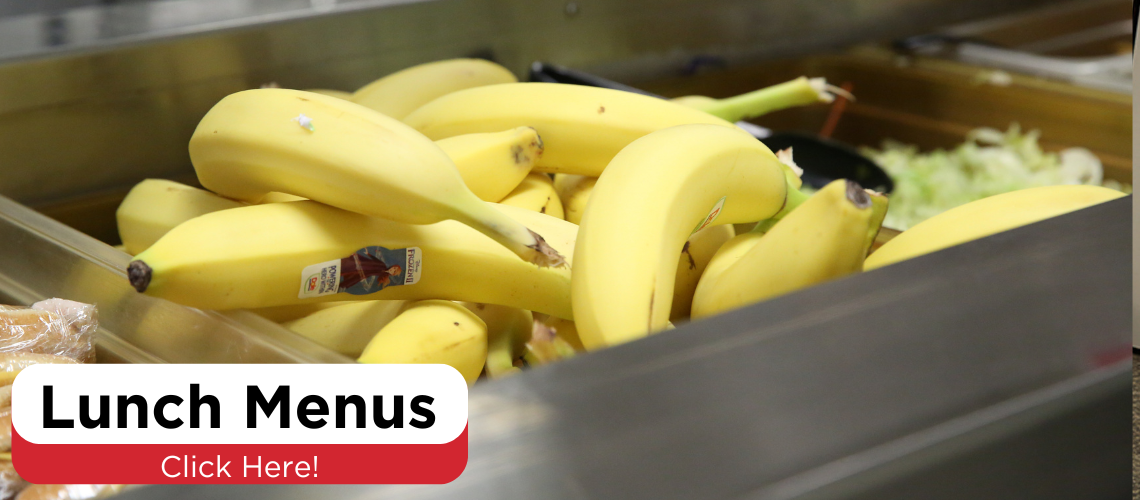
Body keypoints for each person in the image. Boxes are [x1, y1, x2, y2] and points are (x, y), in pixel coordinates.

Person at [338, 250, 403, 292]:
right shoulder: (383, 265)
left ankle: (341, 285)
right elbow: (375, 259)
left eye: (394, 271)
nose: (392, 269)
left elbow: (378, 281)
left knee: (353, 278)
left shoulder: (385, 276)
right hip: (366, 266)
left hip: (367, 273)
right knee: (351, 266)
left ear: (393, 274)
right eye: (394, 268)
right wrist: (368, 254)